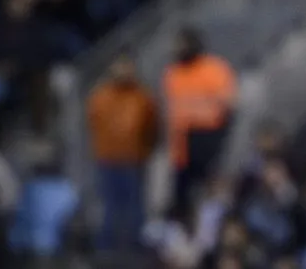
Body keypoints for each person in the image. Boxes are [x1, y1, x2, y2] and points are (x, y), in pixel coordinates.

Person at [87, 51, 159, 251]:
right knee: (109, 207)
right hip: (107, 159)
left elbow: (152, 126)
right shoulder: (100, 96)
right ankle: (106, 249)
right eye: (119, 65)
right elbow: (92, 123)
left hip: (134, 160)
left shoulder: (142, 96)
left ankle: (135, 248)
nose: (123, 70)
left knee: (135, 208)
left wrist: (145, 150)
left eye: (127, 66)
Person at [164, 27, 238, 211]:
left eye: (182, 44)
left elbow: (228, 104)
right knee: (182, 197)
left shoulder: (213, 69)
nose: (178, 48)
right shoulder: (173, 73)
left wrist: (218, 139)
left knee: (211, 190)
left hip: (208, 136)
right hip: (182, 142)